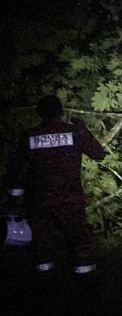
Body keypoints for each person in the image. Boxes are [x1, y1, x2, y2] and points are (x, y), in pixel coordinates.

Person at [6, 95, 107, 273]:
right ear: (61, 112)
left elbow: (19, 169)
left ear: (40, 113)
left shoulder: (31, 136)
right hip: (71, 196)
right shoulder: (75, 132)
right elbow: (98, 153)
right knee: (77, 232)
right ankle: (85, 273)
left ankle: (45, 275)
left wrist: (14, 199)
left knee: (42, 236)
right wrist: (83, 130)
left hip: (40, 198)